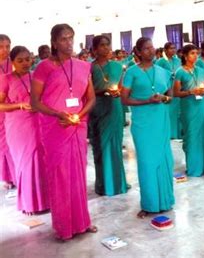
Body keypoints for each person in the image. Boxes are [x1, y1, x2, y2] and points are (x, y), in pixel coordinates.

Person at [31, 24, 97, 240]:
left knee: (78, 174)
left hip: (76, 126)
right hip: (55, 128)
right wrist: (58, 114)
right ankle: (64, 226)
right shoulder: (44, 68)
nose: (68, 43)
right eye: (63, 39)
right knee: (60, 176)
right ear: (54, 42)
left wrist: (79, 114)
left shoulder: (82, 66)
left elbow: (91, 98)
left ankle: (83, 221)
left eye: (71, 38)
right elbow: (35, 102)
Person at [121, 37, 174, 218]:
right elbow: (125, 99)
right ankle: (150, 203)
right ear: (138, 52)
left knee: (164, 158)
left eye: (152, 47)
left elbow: (170, 96)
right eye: (146, 48)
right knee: (147, 161)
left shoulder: (162, 70)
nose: (151, 51)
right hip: (143, 123)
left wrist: (164, 98)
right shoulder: (131, 72)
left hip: (160, 119)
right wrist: (146, 101)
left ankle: (165, 200)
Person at [0, 46, 49, 215]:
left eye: (28, 59)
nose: (25, 63)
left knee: (40, 160)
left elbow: (46, 97)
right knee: (25, 163)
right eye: (20, 60)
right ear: (12, 62)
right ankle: (29, 203)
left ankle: (44, 201)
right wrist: (19, 105)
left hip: (38, 122)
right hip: (18, 125)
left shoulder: (36, 76)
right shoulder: (5, 79)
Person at [88, 35, 128, 196]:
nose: (106, 48)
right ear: (95, 49)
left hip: (114, 108)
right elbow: (87, 92)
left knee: (114, 145)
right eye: (102, 45)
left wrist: (117, 92)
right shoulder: (89, 68)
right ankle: (103, 184)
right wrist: (102, 91)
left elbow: (120, 86)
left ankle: (117, 183)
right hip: (98, 108)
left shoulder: (118, 66)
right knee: (100, 147)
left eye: (108, 45)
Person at [174, 44, 204, 177]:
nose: (195, 56)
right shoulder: (180, 71)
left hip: (201, 104)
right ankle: (194, 167)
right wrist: (191, 91)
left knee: (202, 132)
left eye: (196, 53)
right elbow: (176, 92)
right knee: (191, 134)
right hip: (189, 106)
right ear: (185, 56)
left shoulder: (200, 70)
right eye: (192, 53)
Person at [156, 42, 182, 139]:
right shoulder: (160, 61)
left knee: (178, 111)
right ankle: (169, 133)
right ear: (165, 50)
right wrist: (169, 75)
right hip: (167, 88)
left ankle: (178, 132)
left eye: (174, 48)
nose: (173, 50)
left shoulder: (178, 60)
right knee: (168, 111)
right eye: (171, 48)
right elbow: (158, 75)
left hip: (177, 86)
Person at [0, 34, 15, 189]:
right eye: (1, 47)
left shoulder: (14, 62)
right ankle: (6, 176)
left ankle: (16, 172)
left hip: (14, 108)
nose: (5, 50)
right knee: (3, 145)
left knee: (13, 142)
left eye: (7, 46)